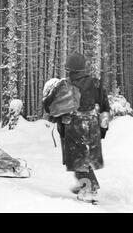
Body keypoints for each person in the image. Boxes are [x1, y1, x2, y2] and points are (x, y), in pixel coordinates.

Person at [43, 53, 110, 204]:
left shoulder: (66, 84)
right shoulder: (96, 83)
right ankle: (84, 185)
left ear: (70, 68)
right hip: (92, 124)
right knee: (85, 158)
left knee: (79, 159)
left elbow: (52, 108)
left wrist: (57, 119)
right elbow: (104, 106)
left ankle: (88, 189)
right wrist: (103, 127)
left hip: (74, 125)